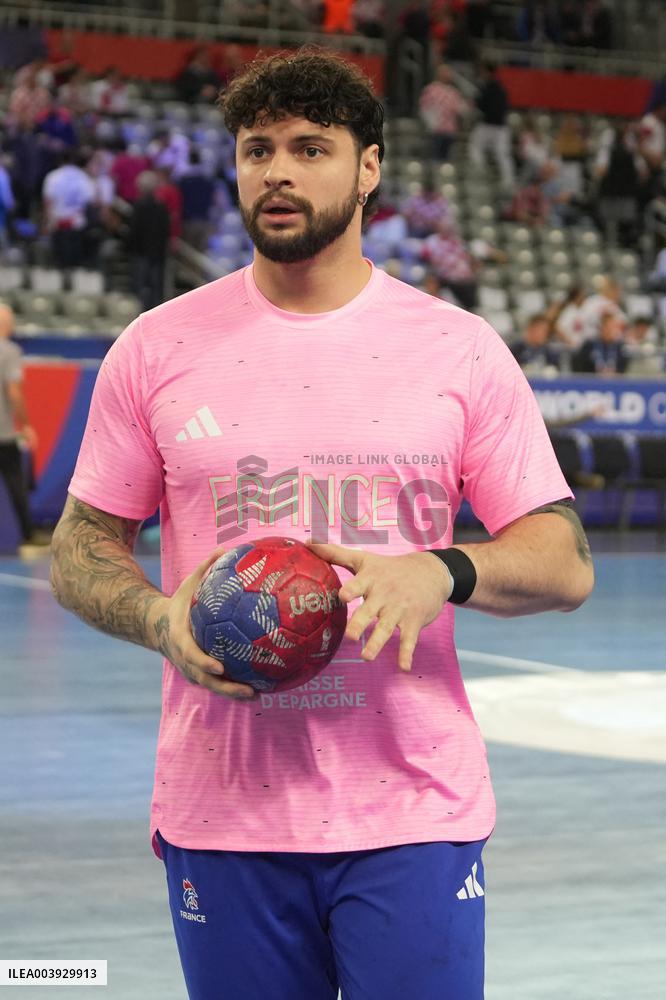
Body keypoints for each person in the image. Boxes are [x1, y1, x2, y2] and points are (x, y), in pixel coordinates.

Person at [50, 50, 594, 1000]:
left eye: (311, 148)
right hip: (223, 815)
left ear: (369, 167)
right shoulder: (158, 346)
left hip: (413, 811)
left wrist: (443, 570)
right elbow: (80, 548)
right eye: (258, 149)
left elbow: (566, 560)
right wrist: (158, 621)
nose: (280, 172)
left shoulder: (457, 350)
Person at [0, 304, 37, 544]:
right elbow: (13, 392)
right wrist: (25, 425)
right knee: (15, 483)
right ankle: (28, 537)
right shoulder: (9, 351)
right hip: (3, 433)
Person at [125, 170, 171, 311]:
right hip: (157, 253)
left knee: (139, 287)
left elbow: (134, 231)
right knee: (156, 288)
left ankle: (138, 315)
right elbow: (165, 231)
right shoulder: (161, 207)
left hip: (141, 253)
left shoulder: (138, 206)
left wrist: (130, 249)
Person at [468, 61, 515, 190]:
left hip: (488, 125)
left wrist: (476, 103)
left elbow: (479, 104)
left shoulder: (487, 87)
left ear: (487, 71)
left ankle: (481, 174)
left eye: (483, 70)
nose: (482, 73)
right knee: (502, 154)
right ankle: (508, 181)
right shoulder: (501, 88)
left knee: (475, 147)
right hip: (500, 126)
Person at [418, 63, 470, 161]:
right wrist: (432, 123)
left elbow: (461, 109)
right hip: (436, 131)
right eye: (445, 72)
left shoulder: (453, 92)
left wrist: (466, 107)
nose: (448, 74)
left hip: (450, 131)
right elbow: (424, 108)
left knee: (446, 159)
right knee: (435, 157)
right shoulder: (431, 89)